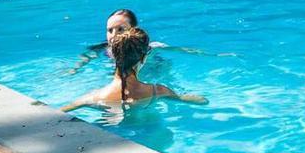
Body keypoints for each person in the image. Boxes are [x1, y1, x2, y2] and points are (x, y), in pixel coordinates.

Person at [62, 27, 206, 113]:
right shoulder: (158, 91)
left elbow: (60, 112)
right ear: (143, 59)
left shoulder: (94, 97)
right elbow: (201, 102)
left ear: (114, 58)